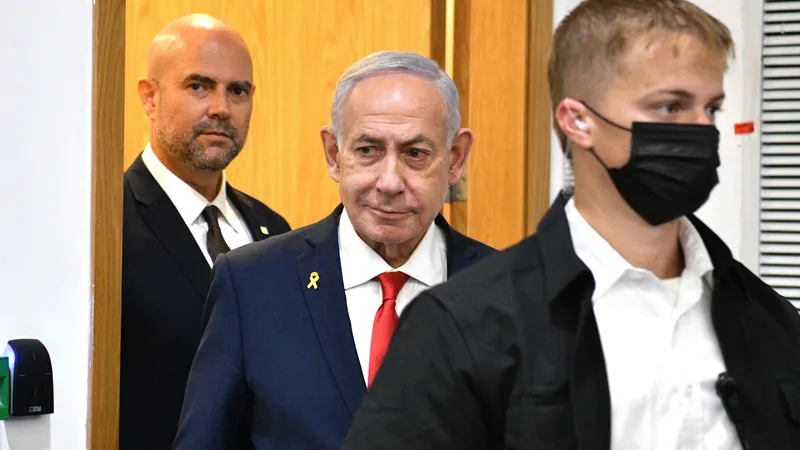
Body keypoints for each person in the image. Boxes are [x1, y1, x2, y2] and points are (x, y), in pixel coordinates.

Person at [342, 1, 800, 449]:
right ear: (578, 121)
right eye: (669, 107)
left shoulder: (768, 320)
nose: (701, 130)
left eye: (712, 109)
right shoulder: (465, 326)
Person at [172, 51, 494, 449]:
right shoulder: (251, 285)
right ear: (333, 154)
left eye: (415, 154)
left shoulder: (510, 294)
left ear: (456, 159)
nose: (389, 182)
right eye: (368, 150)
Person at [121, 14, 290, 450]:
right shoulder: (107, 226)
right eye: (199, 86)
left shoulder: (274, 231)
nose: (221, 108)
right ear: (150, 97)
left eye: (238, 91)